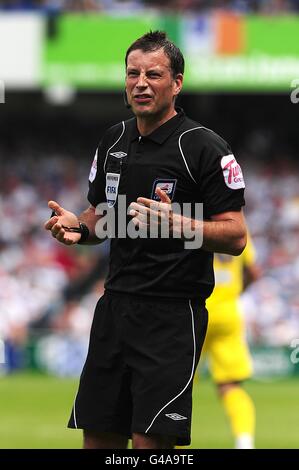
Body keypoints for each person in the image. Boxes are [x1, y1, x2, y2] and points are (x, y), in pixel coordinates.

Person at [44, 30, 247, 449]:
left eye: (153, 75)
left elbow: (236, 235)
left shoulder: (205, 148)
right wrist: (77, 227)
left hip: (172, 317)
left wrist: (181, 225)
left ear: (177, 83)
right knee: (98, 440)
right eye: (132, 74)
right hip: (114, 309)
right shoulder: (113, 141)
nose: (140, 83)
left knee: (149, 446)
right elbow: (102, 216)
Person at [202, 232, 260, 449]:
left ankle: (174, 448)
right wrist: (237, 290)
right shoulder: (237, 229)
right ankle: (244, 442)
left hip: (196, 310)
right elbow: (254, 271)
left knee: (179, 386)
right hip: (229, 312)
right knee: (230, 385)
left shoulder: (193, 225)